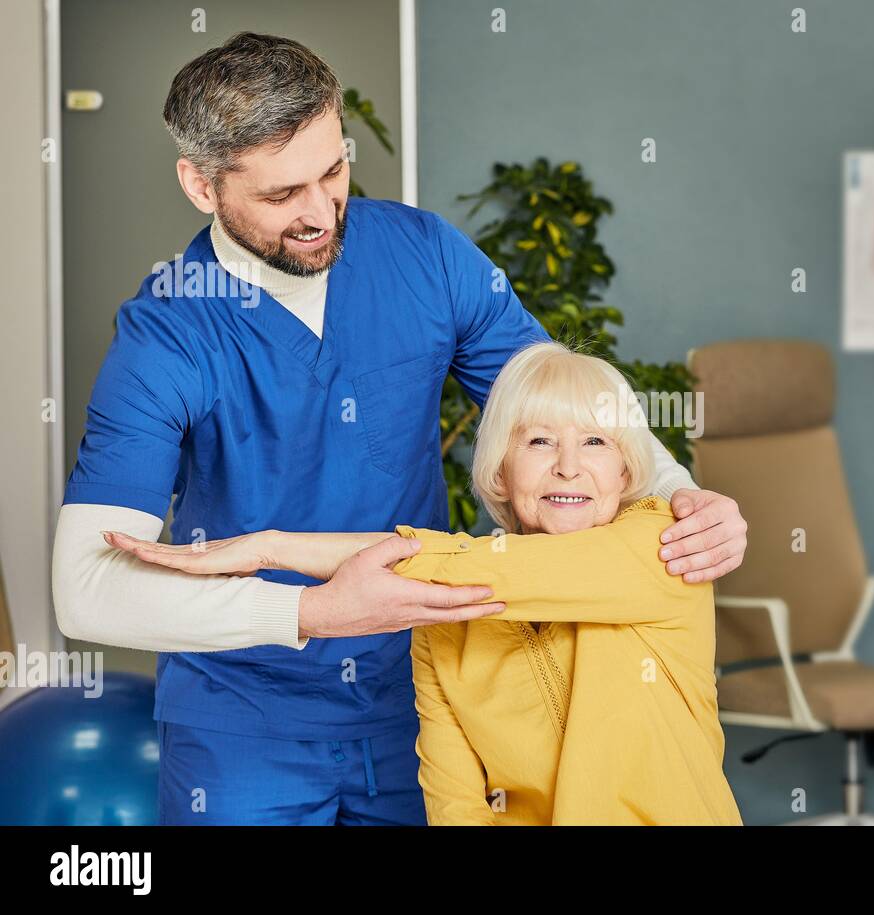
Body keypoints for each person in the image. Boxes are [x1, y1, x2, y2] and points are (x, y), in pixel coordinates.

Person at [53, 32, 748, 826]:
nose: (319, 213)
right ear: (201, 185)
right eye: (282, 195)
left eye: (334, 170)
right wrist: (306, 615)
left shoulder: (426, 259)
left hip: (423, 701)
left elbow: (569, 409)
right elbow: (86, 590)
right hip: (245, 724)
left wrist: (689, 500)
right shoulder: (164, 336)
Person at [106, 342, 743, 825]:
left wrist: (271, 548)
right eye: (541, 440)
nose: (569, 466)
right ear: (500, 471)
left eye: (596, 441)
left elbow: (470, 568)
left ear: (629, 468)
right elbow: (457, 805)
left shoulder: (661, 547)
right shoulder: (442, 629)